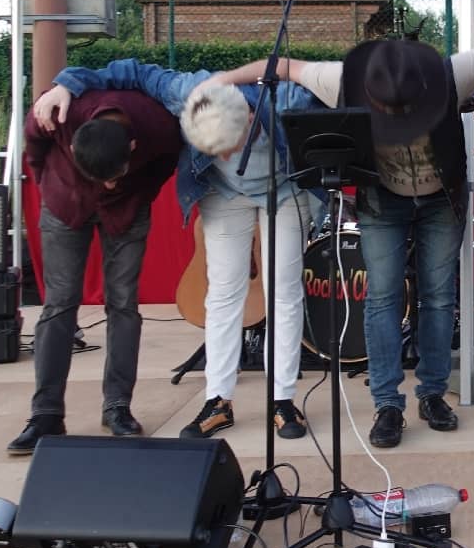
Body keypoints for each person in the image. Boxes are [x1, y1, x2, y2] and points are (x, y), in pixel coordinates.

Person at [203, 32, 474, 448]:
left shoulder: (453, 72)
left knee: (440, 297)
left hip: (442, 201)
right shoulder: (339, 79)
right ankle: (387, 403)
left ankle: (431, 394)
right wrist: (219, 82)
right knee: (382, 298)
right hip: (382, 200)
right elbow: (281, 65)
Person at [32, 61, 328, 442]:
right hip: (223, 193)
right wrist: (65, 86)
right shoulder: (186, 90)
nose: (222, 156)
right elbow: (128, 71)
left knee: (283, 292)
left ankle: (282, 400)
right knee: (223, 292)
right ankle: (218, 401)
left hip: (284, 190)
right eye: (211, 149)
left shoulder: (288, 99)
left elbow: (334, 95)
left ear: (250, 118)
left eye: (229, 147)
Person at [7, 90, 183, 455]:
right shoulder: (57, 114)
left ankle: (117, 406)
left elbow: (167, 162)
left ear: (133, 146)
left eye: (113, 177)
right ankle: (46, 414)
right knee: (58, 304)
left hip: (128, 209)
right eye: (102, 179)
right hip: (65, 202)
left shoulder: (159, 127)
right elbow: (34, 145)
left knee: (123, 305)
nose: (107, 184)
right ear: (73, 146)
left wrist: (135, 193)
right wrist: (46, 183)